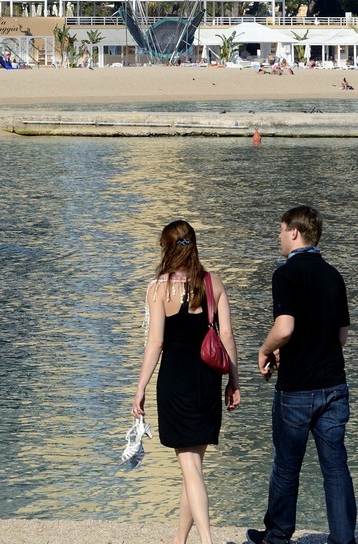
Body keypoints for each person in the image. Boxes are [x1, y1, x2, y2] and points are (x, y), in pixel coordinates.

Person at [247, 206, 355, 544]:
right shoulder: (334, 275)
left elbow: (285, 327)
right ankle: (343, 539)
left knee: (286, 465)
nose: (278, 236)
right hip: (334, 385)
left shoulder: (286, 275)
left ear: (294, 232)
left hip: (297, 388)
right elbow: (341, 336)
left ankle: (278, 535)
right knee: (335, 467)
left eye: (280, 230)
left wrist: (267, 350)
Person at [132, 220, 241, 544]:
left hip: (176, 382)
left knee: (190, 467)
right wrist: (233, 382)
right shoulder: (213, 283)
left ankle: (206, 540)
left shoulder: (159, 288)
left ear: (166, 249)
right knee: (192, 467)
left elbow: (155, 343)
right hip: (207, 380)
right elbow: (227, 335)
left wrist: (140, 389)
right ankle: (180, 541)